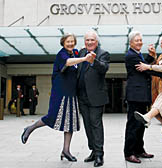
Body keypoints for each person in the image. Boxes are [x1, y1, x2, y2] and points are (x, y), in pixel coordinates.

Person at [21, 33, 93, 162]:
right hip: (60, 92)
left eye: (72, 41)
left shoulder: (75, 52)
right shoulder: (62, 54)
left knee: (70, 122)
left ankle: (66, 151)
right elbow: (68, 62)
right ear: (63, 43)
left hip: (72, 93)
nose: (70, 44)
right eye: (68, 42)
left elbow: (82, 51)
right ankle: (30, 128)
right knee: (52, 116)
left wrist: (87, 47)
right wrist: (84, 59)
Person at [124, 31, 162, 164]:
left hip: (142, 95)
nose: (139, 42)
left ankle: (139, 150)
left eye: (140, 40)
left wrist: (149, 57)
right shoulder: (131, 55)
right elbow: (146, 69)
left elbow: (144, 65)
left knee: (141, 123)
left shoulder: (137, 54)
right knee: (133, 124)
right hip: (135, 95)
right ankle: (129, 153)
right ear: (131, 42)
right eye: (136, 40)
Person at [77, 30, 110, 167]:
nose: (89, 42)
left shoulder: (103, 53)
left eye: (92, 40)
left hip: (96, 96)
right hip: (82, 96)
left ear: (96, 41)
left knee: (96, 124)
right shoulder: (81, 52)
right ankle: (93, 150)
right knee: (87, 125)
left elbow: (104, 68)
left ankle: (99, 155)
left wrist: (93, 61)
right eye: (87, 40)